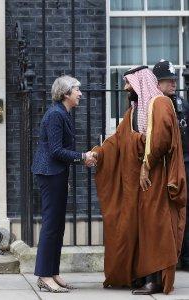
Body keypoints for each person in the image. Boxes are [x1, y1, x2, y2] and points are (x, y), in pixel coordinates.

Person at [91, 67, 187, 295]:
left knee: (155, 227)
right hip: (142, 182)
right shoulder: (134, 110)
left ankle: (155, 279)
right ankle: (140, 275)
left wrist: (146, 165)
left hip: (156, 177)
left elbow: (161, 140)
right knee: (140, 227)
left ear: (140, 85)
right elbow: (118, 140)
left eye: (129, 84)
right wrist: (99, 153)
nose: (126, 88)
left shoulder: (160, 103)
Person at [31, 75, 96, 293]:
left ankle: (53, 272)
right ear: (66, 93)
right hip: (49, 174)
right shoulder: (55, 115)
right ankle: (43, 275)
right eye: (77, 89)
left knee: (58, 225)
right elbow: (56, 150)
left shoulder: (63, 113)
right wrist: (82, 156)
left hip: (56, 174)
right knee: (51, 225)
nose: (80, 93)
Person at [153, 59, 189, 271]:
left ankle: (184, 256)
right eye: (168, 80)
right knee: (165, 213)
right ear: (158, 82)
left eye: (174, 80)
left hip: (184, 162)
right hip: (165, 166)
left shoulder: (182, 104)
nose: (173, 84)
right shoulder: (154, 105)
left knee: (183, 211)